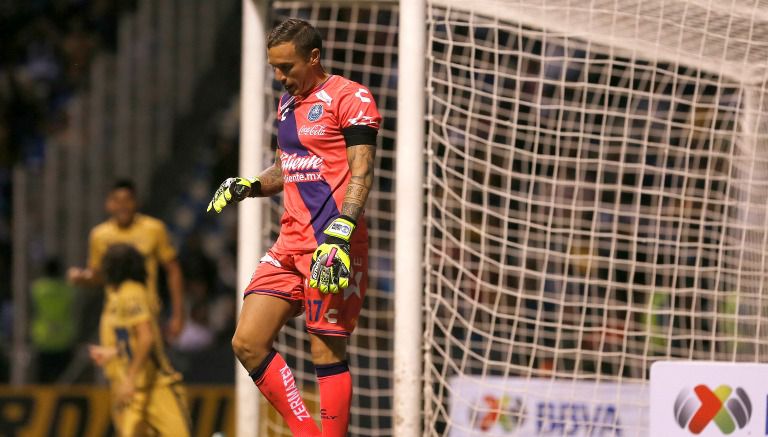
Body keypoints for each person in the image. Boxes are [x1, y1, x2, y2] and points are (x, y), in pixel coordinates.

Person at [207, 18, 381, 437]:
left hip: (333, 246)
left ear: (313, 57)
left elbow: (362, 171)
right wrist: (250, 184)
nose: (281, 77)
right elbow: (290, 167)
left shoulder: (350, 97)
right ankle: (306, 432)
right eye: (275, 69)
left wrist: (339, 233)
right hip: (289, 244)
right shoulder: (288, 104)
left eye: (287, 67)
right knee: (246, 341)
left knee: (325, 349)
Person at [88, 243, 191, 436]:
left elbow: (146, 338)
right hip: (133, 391)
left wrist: (129, 379)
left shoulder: (132, 293)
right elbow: (133, 339)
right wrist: (113, 352)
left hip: (157, 387)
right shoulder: (118, 296)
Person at [68, 179, 185, 340]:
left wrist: (178, 315)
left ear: (136, 202)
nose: (123, 206)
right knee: (118, 364)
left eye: (127, 200)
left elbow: (173, 270)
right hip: (115, 316)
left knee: (146, 362)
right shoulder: (99, 235)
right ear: (109, 204)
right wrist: (82, 278)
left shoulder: (154, 229)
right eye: (117, 201)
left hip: (147, 314)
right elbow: (98, 276)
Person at [30, 257, 78, 383]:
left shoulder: (38, 289)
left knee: (43, 381)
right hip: (64, 339)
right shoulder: (67, 290)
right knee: (64, 381)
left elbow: (32, 311)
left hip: (43, 338)